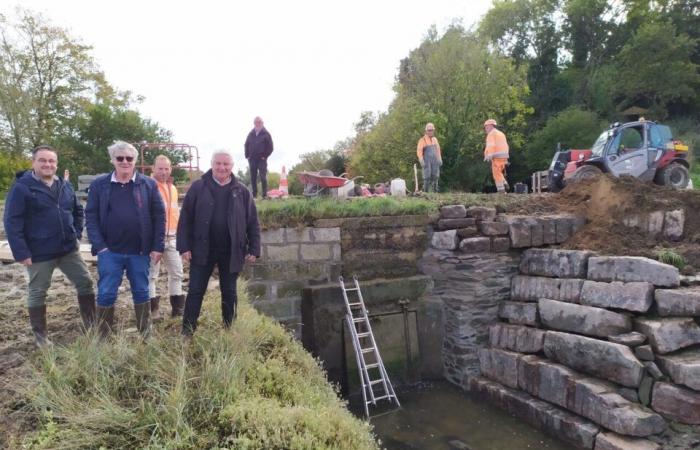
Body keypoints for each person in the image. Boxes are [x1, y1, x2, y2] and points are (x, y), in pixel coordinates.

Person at [4, 145, 95, 347]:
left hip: (68, 249)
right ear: (33, 163)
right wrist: (21, 251)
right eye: (43, 160)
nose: (48, 164)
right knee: (38, 291)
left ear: (56, 164)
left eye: (51, 161)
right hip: (39, 252)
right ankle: (41, 338)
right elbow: (12, 221)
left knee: (85, 282)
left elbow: (78, 211)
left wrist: (77, 234)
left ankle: (91, 325)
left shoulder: (64, 185)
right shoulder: (22, 187)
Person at [85, 141, 165, 338]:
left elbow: (159, 216)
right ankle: (104, 335)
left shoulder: (148, 184)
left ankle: (145, 334)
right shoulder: (99, 185)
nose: (124, 162)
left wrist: (157, 246)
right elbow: (91, 217)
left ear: (135, 161)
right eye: (120, 158)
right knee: (106, 292)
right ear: (112, 160)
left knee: (141, 291)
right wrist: (100, 247)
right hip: (110, 252)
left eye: (129, 158)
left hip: (140, 251)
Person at [177, 150, 261, 336]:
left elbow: (252, 222)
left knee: (229, 292)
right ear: (212, 164)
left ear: (232, 167)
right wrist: (184, 246)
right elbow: (185, 219)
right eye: (218, 163)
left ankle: (230, 329)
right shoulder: (198, 187)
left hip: (231, 251)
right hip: (202, 248)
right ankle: (187, 332)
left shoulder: (242, 191)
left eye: (226, 164)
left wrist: (254, 248)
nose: (222, 167)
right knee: (196, 291)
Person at [147, 155, 185, 320]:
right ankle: (153, 310)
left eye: (166, 168)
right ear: (153, 169)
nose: (163, 172)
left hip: (172, 237)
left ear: (171, 169)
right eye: (160, 168)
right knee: (151, 275)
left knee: (177, 273)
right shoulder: (147, 186)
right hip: (153, 239)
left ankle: (177, 309)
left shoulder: (173, 188)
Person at [244, 116, 274, 198]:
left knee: (263, 176)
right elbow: (246, 144)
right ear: (254, 123)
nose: (257, 123)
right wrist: (247, 155)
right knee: (253, 177)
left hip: (261, 159)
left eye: (259, 122)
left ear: (262, 123)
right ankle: (254, 195)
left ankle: (264, 195)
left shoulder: (266, 134)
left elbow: (270, 147)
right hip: (252, 159)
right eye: (256, 122)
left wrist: (265, 156)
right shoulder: (250, 134)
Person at [483, 119, 510, 193]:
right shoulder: (500, 133)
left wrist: (489, 155)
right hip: (504, 156)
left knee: (496, 173)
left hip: (497, 155)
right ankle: (504, 183)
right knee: (499, 171)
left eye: (486, 127)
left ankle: (501, 190)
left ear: (490, 126)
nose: (485, 129)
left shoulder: (491, 134)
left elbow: (491, 146)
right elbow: (505, 145)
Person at [416, 123, 442, 192]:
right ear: (426, 131)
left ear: (433, 130)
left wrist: (439, 158)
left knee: (436, 176)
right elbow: (419, 151)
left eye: (432, 130)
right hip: (426, 161)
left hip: (435, 160)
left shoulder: (435, 139)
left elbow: (438, 149)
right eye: (429, 130)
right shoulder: (422, 140)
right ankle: (426, 192)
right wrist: (421, 160)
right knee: (426, 176)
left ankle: (435, 191)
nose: (430, 132)